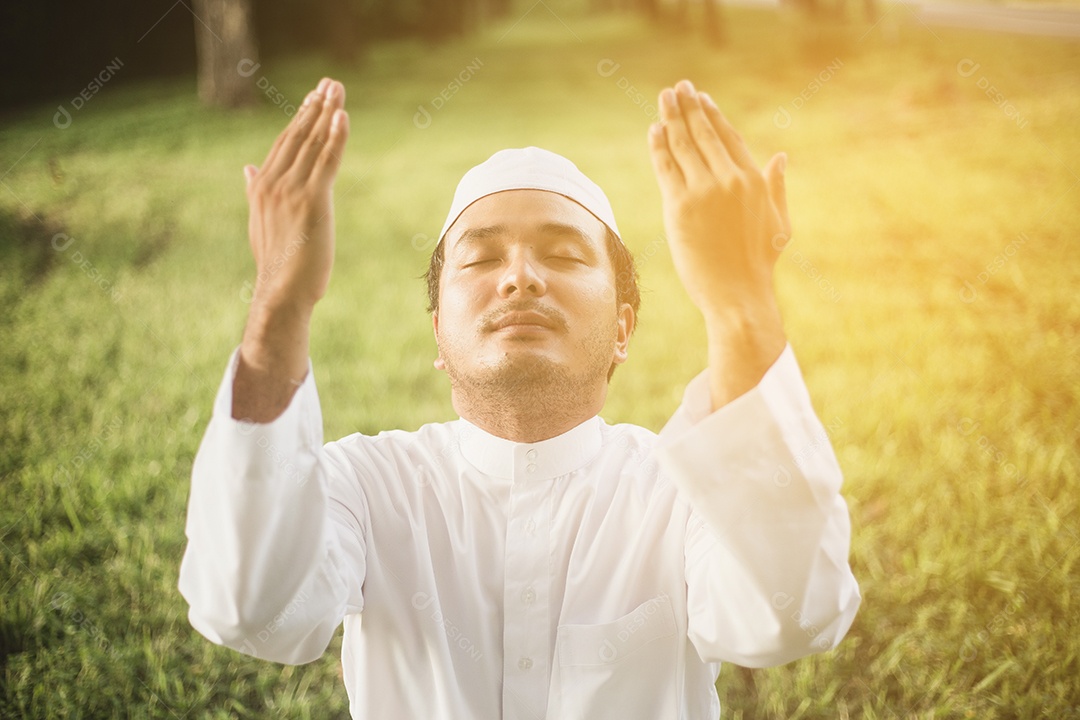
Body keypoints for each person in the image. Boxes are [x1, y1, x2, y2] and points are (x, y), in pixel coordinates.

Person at [179, 76, 861, 719]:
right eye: (481, 258)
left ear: (622, 329)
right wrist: (278, 307)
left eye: (564, 255)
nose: (521, 278)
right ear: (439, 333)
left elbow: (795, 614)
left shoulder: (680, 496)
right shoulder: (367, 488)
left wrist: (741, 305)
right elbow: (249, 610)